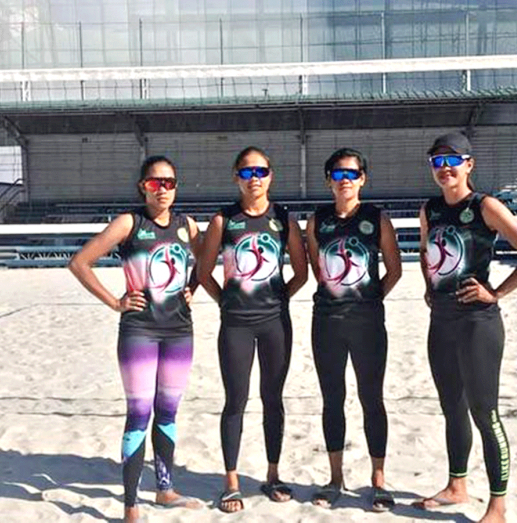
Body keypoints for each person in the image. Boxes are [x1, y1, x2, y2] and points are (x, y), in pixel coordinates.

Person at [69, 155, 215, 523]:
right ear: (142, 187)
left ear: (176, 186)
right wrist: (115, 302)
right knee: (139, 414)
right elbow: (80, 263)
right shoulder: (129, 223)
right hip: (139, 331)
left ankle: (164, 489)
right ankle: (131, 505)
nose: (162, 189)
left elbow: (205, 262)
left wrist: (193, 286)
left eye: (169, 182)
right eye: (154, 182)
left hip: (180, 331)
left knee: (168, 412)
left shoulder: (187, 226)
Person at [414, 132, 517, 523]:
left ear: (469, 165)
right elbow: (426, 252)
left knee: (484, 413)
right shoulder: (430, 209)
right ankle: (457, 486)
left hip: (478, 324)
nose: (444, 169)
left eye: (452, 161)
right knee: (451, 408)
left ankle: (498, 506)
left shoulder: (485, 206)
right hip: (441, 321)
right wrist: (428, 287)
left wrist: (497, 293)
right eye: (437, 162)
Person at [198, 146, 308, 513]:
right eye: (246, 172)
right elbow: (204, 272)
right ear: (236, 177)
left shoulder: (284, 219)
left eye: (260, 171)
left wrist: (280, 299)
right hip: (236, 325)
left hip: (275, 322)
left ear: (270, 176)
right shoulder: (223, 220)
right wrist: (225, 302)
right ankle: (231, 481)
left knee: (273, 399)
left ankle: (272, 474)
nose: (254, 178)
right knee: (236, 400)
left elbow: (301, 272)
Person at [305, 148, 402, 512]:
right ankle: (335, 478)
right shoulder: (318, 220)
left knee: (371, 399)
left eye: (352, 173)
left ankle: (377, 480)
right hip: (327, 322)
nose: (345, 179)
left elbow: (394, 270)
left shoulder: (377, 218)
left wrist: (368, 299)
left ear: (362, 178)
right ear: (329, 179)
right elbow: (319, 270)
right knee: (332, 399)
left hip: (367, 323)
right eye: (338, 173)